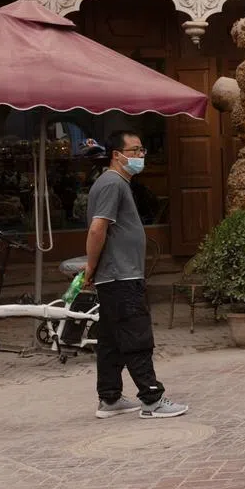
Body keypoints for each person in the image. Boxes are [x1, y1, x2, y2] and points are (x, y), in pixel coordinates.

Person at [84, 130, 187, 420]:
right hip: (121, 276)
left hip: (117, 275)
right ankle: (152, 399)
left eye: (142, 150)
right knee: (136, 335)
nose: (141, 156)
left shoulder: (115, 183)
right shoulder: (113, 183)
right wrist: (91, 267)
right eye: (135, 150)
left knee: (112, 341)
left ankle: (110, 398)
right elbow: (97, 228)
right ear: (117, 155)